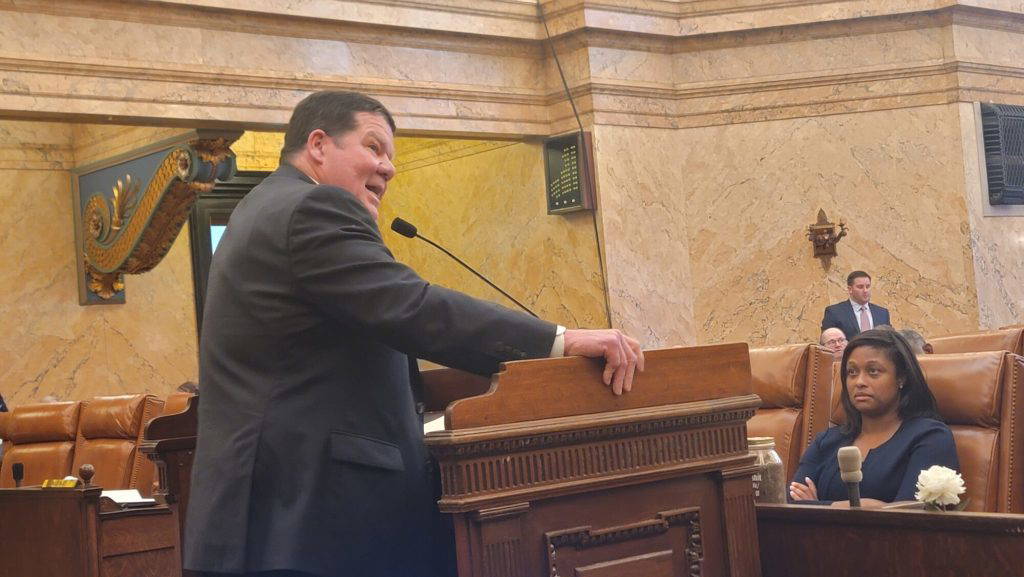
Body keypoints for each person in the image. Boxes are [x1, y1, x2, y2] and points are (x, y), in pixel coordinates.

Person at [184, 91, 644, 577]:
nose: (389, 168)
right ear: (318, 144)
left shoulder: (263, 208)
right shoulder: (311, 208)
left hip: (274, 522)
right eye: (375, 148)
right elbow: (413, 307)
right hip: (309, 525)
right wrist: (559, 342)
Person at [788, 329, 958, 507]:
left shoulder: (930, 437)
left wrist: (818, 506)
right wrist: (867, 506)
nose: (859, 381)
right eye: (852, 372)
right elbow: (791, 503)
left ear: (901, 378)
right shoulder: (826, 440)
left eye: (873, 371)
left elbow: (908, 516)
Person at [821, 270, 891, 338]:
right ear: (850, 289)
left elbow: (890, 339)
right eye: (860, 287)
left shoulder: (882, 313)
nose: (865, 290)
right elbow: (828, 341)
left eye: (868, 286)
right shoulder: (834, 312)